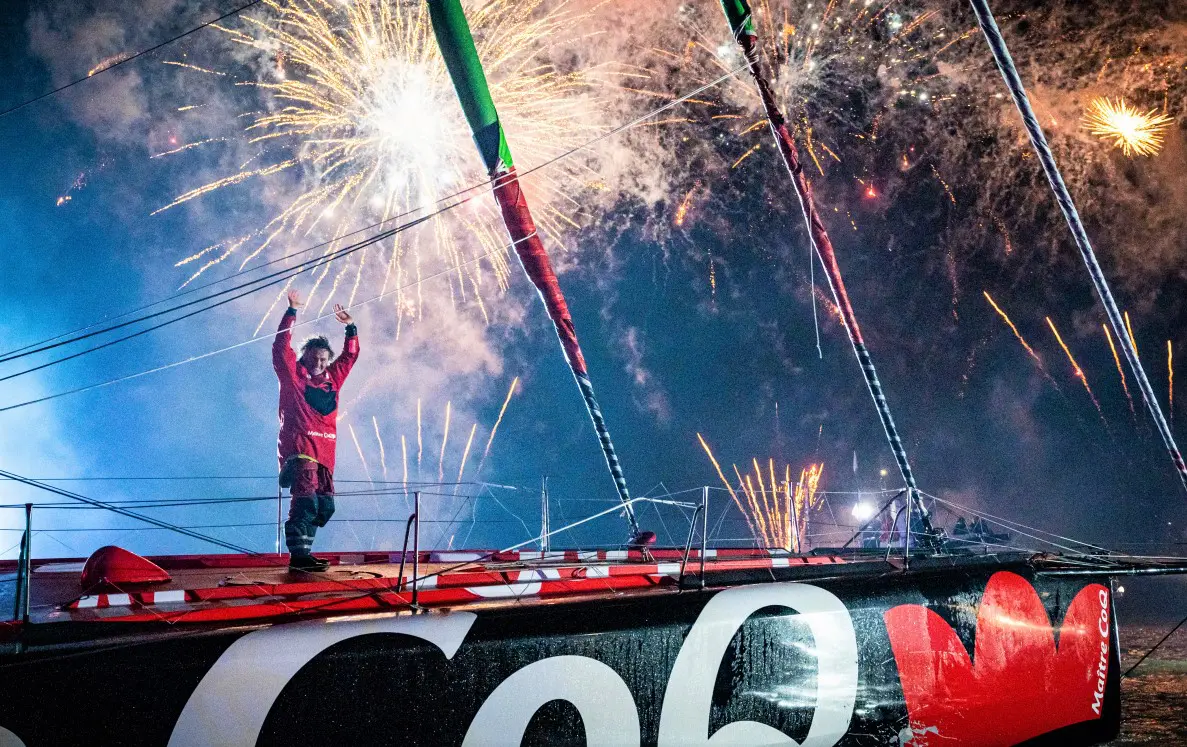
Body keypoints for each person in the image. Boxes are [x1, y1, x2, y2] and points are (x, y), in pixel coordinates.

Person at [273, 289, 359, 572]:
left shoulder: (332, 379)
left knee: (324, 506)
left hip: (325, 455)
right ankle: (298, 557)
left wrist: (350, 327)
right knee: (306, 499)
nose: (319, 363)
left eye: (324, 359)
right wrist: (292, 311)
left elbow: (349, 357)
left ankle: (305, 553)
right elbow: (280, 349)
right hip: (300, 451)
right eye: (314, 358)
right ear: (304, 357)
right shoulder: (294, 377)